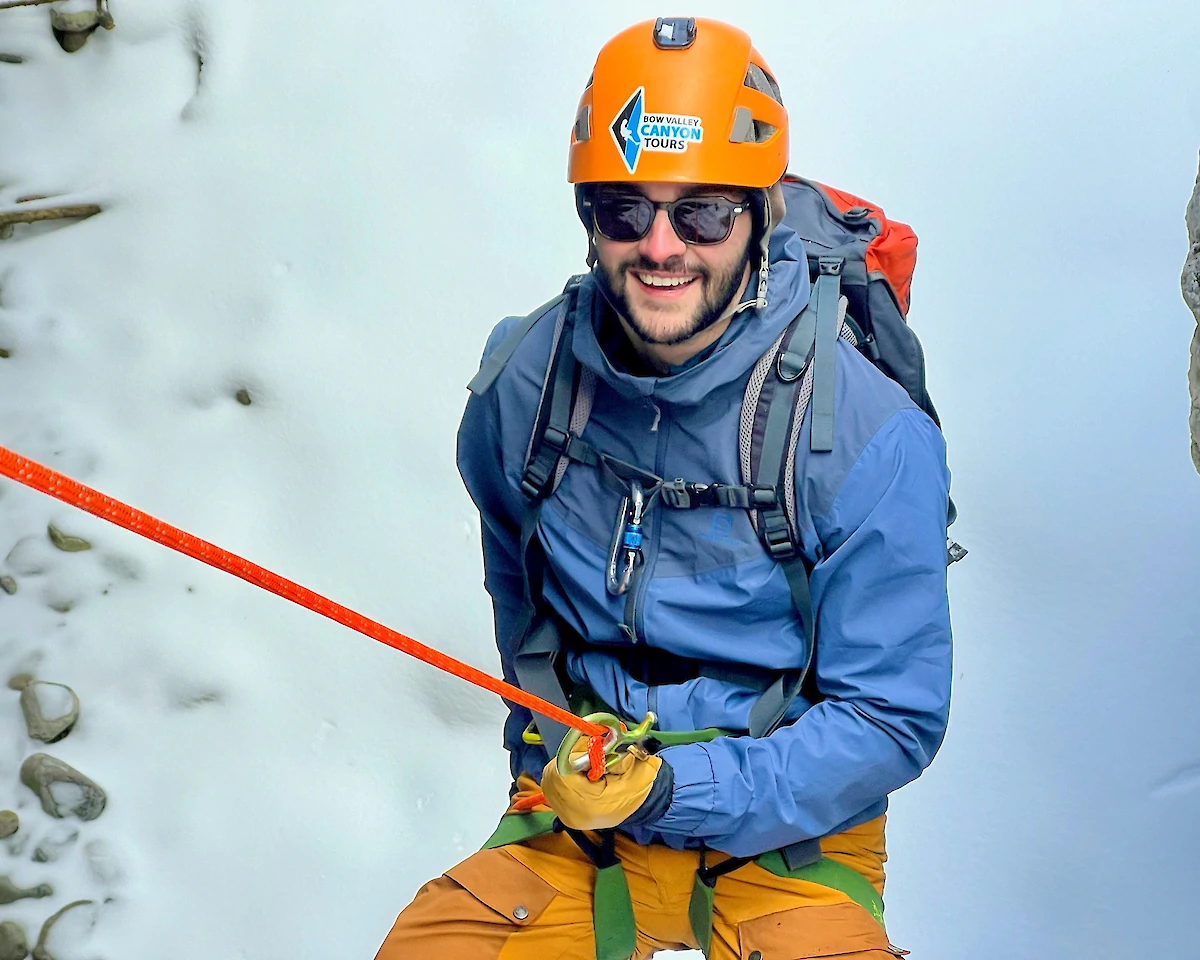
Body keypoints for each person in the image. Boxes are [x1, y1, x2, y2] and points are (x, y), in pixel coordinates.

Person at [375, 16, 951, 960]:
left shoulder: (867, 435)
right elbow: (520, 595)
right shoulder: (524, 385)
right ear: (588, 216)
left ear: (758, 214)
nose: (661, 245)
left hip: (791, 838)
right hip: (580, 812)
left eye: (704, 213)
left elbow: (890, 717)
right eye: (623, 209)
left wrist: (678, 792)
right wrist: (551, 756)